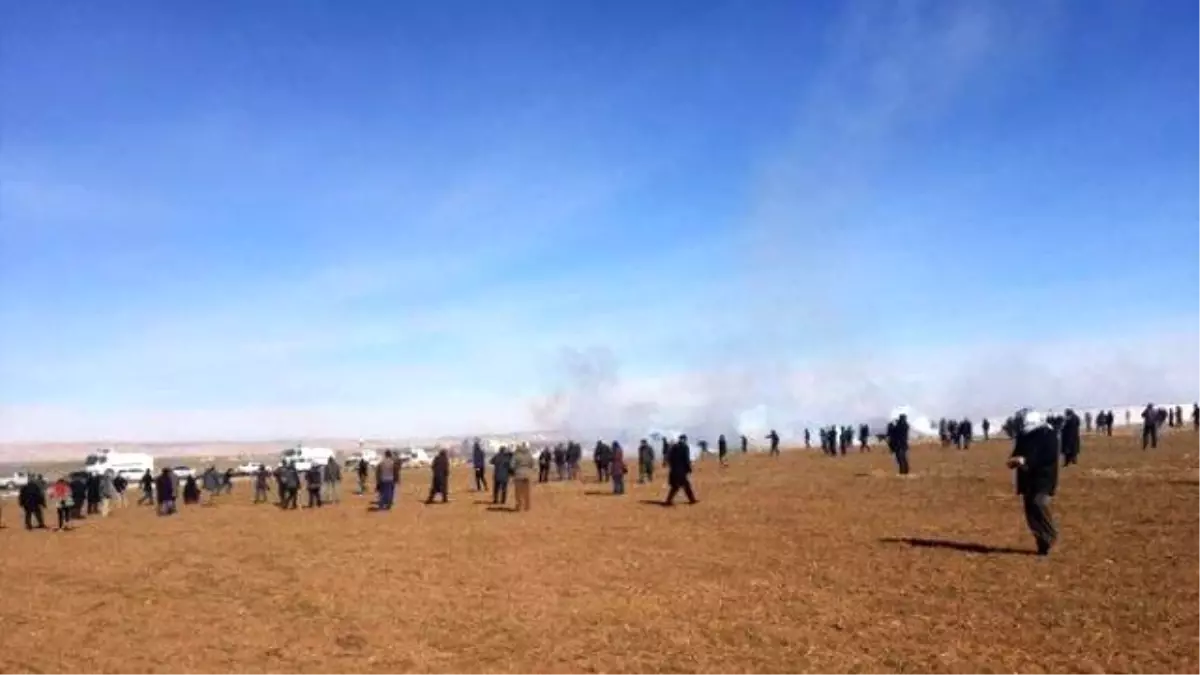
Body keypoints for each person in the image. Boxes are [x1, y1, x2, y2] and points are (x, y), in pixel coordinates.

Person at [1006, 408, 1060, 556]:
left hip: (1044, 476)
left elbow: (1048, 456)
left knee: (1039, 503)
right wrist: (1013, 461)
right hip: (1026, 477)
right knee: (1030, 511)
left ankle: (1051, 535)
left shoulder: (1048, 434)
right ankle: (1042, 543)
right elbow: (1017, 452)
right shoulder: (1023, 435)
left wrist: (1026, 460)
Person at [664, 435, 697, 506]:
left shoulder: (674, 447)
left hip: (674, 470)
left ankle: (668, 501)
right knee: (685, 486)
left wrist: (672, 467)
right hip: (681, 471)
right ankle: (692, 500)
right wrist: (689, 469)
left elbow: (669, 458)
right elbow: (686, 459)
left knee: (676, 486)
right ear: (685, 440)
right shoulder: (685, 447)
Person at [510, 444, 535, 511]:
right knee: (527, 491)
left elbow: (511, 465)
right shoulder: (529, 455)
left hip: (519, 474)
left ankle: (519, 506)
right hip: (527, 474)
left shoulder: (516, 455)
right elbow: (532, 464)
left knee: (518, 492)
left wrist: (515, 469)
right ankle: (527, 506)